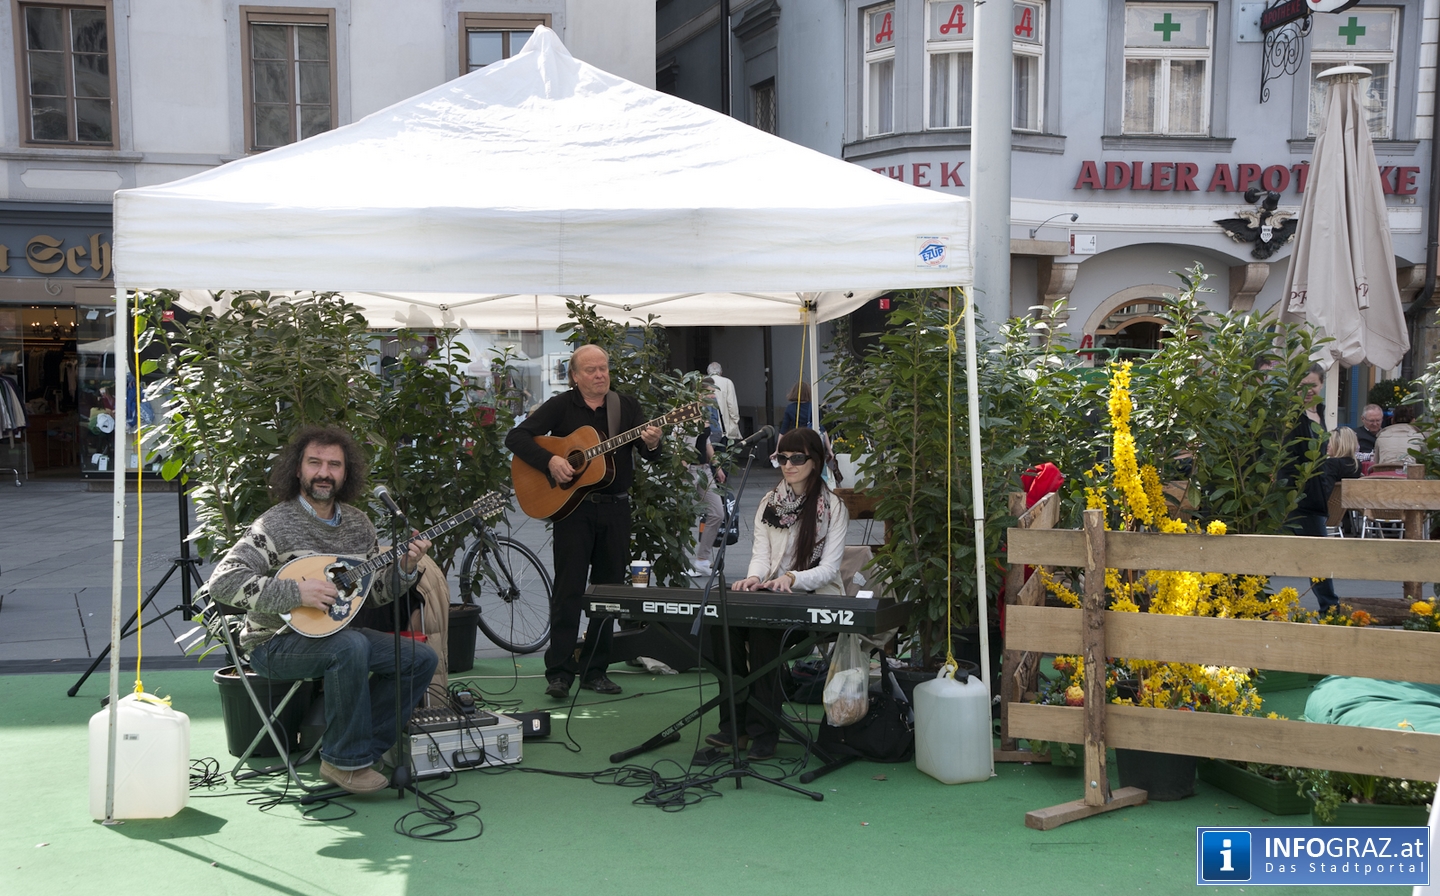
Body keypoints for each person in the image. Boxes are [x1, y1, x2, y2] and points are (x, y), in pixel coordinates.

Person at [203, 425, 437, 795]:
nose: (324, 472)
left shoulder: (360, 525)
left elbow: (374, 593)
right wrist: (296, 592)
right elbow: (223, 582)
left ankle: (358, 752)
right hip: (274, 643)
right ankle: (345, 762)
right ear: (298, 469)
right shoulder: (275, 524)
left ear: (346, 474)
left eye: (334, 465)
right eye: (315, 463)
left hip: (334, 634)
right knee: (351, 648)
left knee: (419, 657)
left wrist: (405, 568)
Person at [505, 344, 662, 699]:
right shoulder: (561, 406)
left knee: (609, 592)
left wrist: (654, 442)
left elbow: (651, 455)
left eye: (604, 368)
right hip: (574, 512)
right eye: (591, 370)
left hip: (616, 509)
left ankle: (595, 670)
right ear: (575, 376)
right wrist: (550, 462)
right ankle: (559, 672)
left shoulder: (625, 406)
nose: (599, 375)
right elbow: (515, 437)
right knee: (568, 590)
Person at [708, 427, 849, 760]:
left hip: (816, 601)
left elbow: (829, 569)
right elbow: (760, 553)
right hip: (772, 594)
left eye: (797, 458)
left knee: (764, 633)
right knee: (720, 623)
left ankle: (764, 730)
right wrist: (754, 577)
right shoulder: (769, 503)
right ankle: (734, 725)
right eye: (781, 458)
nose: (788, 464)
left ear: (815, 461)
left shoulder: (833, 507)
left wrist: (791, 578)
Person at [1284, 366, 1342, 613]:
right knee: (1267, 553)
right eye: (1303, 385)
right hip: (1291, 498)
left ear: (1321, 386)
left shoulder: (1319, 413)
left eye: (1314, 385)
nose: (1309, 390)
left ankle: (1329, 610)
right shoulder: (1290, 415)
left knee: (1316, 556)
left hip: (1314, 498)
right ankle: (1330, 608)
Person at [688, 408, 727, 578]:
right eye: (709, 392)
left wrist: (716, 465)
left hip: (704, 470)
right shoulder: (684, 415)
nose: (713, 396)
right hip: (688, 471)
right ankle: (679, 562)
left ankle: (702, 560)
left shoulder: (705, 415)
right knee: (683, 516)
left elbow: (707, 442)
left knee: (717, 512)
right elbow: (680, 446)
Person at [706, 361, 742, 446]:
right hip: (725, 428)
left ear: (708, 372)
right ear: (721, 372)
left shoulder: (704, 383)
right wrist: (735, 422)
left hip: (709, 428)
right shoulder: (727, 382)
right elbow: (732, 406)